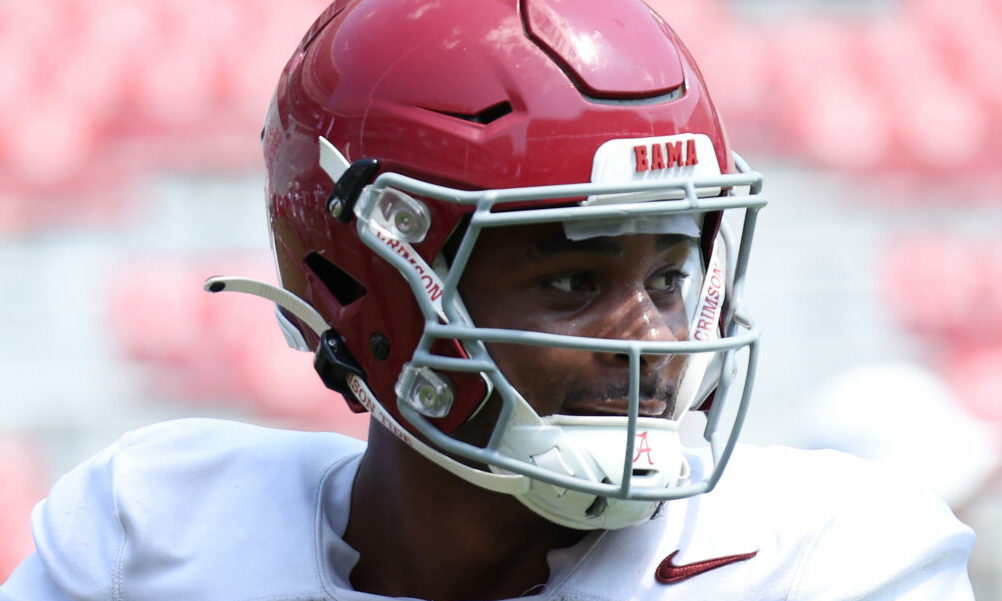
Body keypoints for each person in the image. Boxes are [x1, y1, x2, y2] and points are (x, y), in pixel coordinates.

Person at [0, 0, 976, 599]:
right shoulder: (148, 534)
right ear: (362, 287)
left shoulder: (832, 561)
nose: (651, 338)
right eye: (574, 282)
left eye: (671, 279)